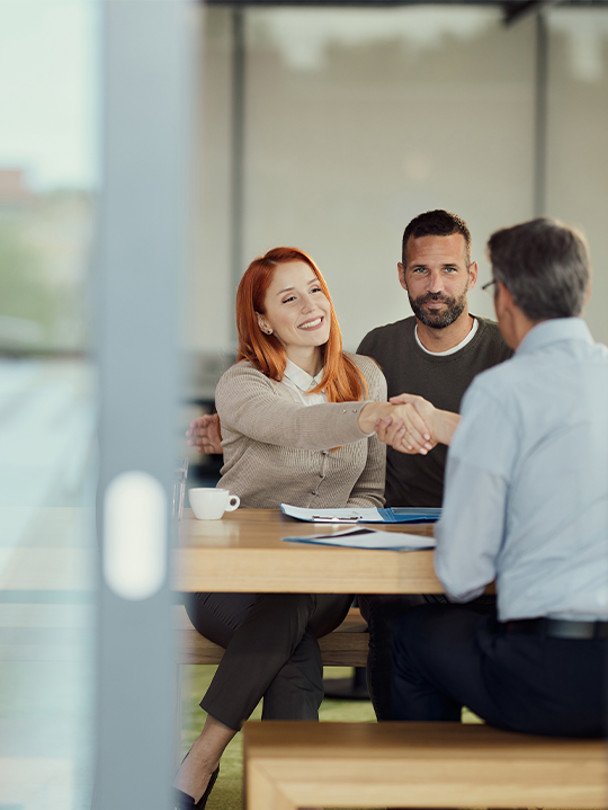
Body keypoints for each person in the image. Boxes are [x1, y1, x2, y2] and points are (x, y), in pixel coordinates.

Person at [189, 210, 513, 720]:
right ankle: (407, 760)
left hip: (470, 550)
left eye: (450, 270)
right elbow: (304, 423)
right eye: (421, 270)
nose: (435, 285)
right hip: (371, 559)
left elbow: (369, 481)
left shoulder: (493, 354)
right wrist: (236, 427)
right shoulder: (372, 352)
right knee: (330, 637)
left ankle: (205, 756)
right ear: (402, 275)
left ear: (472, 275)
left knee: (296, 613)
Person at [174, 246, 429, 810]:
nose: (312, 305)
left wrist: (334, 530)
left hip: (321, 582)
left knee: (293, 599)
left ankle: (201, 758)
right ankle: (279, 796)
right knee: (296, 654)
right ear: (263, 320)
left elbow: (370, 490)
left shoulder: (365, 375)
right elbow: (293, 425)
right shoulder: (241, 384)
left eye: (315, 290)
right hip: (229, 582)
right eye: (289, 298)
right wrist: (367, 414)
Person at [387, 217, 608, 737]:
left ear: (503, 295)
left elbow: (463, 576)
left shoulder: (501, 392)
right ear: (585, 292)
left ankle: (425, 782)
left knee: (411, 635)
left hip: (552, 672)